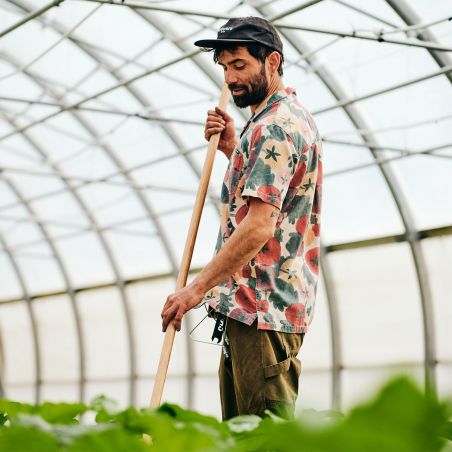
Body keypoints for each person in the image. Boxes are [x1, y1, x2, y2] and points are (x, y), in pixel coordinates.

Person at [161, 16, 322, 420]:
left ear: (272, 62)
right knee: (240, 436)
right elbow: (276, 197)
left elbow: (260, 225)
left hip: (262, 311)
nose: (230, 78)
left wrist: (194, 290)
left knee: (264, 440)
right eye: (224, 67)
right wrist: (234, 147)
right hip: (250, 309)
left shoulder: (275, 127)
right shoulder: (271, 121)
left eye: (239, 65)